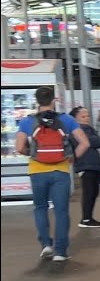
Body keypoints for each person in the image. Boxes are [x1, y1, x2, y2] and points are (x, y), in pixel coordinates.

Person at [13, 86, 90, 261]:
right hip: (60, 170)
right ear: (54, 100)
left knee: (40, 208)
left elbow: (19, 147)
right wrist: (72, 158)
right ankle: (61, 252)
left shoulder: (27, 122)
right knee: (61, 211)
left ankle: (46, 245)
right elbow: (84, 143)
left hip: (37, 171)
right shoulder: (66, 119)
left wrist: (33, 155)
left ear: (37, 101)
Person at [70, 106, 100, 228]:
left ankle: (88, 217)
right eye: (83, 116)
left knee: (93, 191)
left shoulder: (87, 129)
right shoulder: (79, 130)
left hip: (91, 164)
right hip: (85, 164)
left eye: (88, 116)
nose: (87, 118)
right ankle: (86, 218)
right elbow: (94, 142)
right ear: (75, 118)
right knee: (89, 191)